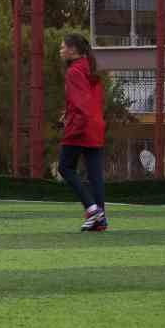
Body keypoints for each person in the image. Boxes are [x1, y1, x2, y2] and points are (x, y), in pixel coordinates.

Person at [58, 33, 108, 232]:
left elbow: (81, 104)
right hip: (96, 126)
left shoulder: (73, 71)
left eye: (63, 47)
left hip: (81, 127)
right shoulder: (90, 68)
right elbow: (90, 101)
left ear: (73, 50)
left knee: (65, 167)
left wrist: (72, 124)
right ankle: (100, 220)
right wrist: (67, 113)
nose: (60, 50)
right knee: (95, 175)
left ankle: (92, 209)